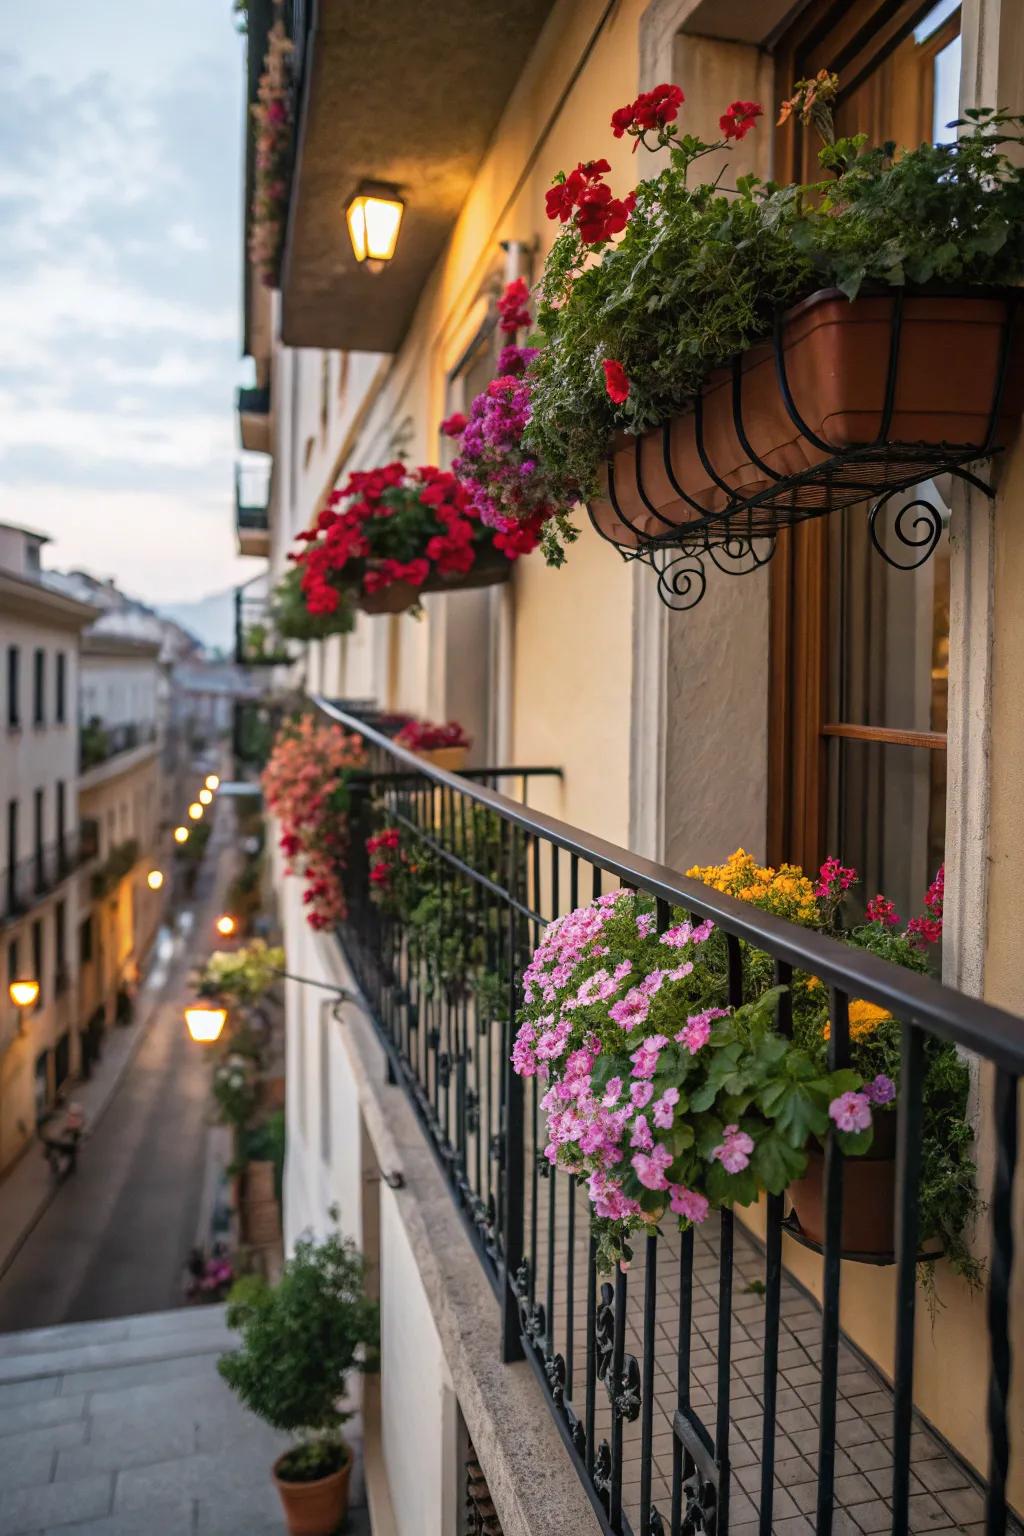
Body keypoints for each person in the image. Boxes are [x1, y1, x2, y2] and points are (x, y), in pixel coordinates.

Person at [41, 1103, 86, 1181]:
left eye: (74, 1114)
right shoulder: (68, 1119)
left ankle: (70, 1167)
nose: (72, 1116)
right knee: (55, 1153)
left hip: (71, 1144)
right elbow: (64, 1129)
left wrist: (79, 1141)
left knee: (70, 1154)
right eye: (72, 1114)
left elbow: (80, 1133)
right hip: (65, 1143)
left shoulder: (79, 1121)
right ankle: (59, 1168)